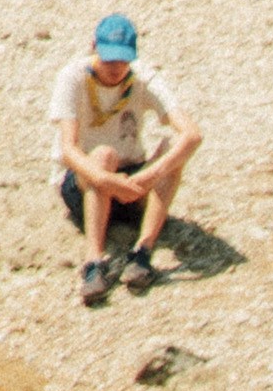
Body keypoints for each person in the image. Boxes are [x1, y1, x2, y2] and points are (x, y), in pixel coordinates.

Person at [51, 15, 203, 308]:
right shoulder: (72, 77)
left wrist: (150, 175)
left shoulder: (143, 79)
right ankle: (94, 261)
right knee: (103, 155)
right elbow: (69, 150)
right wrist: (108, 181)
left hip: (130, 183)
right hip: (85, 184)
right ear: (94, 48)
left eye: (122, 61)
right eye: (109, 60)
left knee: (173, 149)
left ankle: (143, 251)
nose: (116, 69)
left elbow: (192, 134)